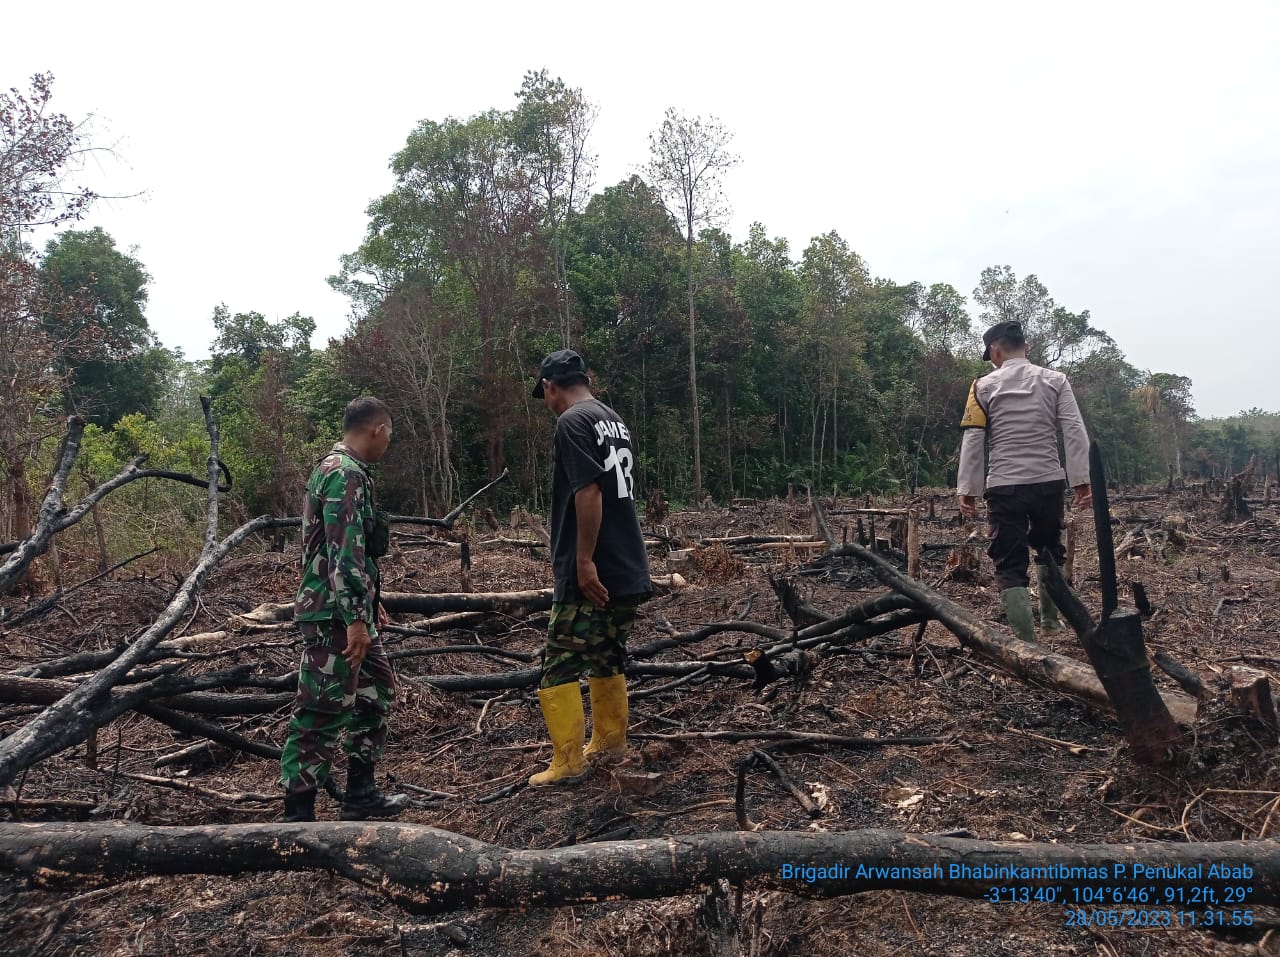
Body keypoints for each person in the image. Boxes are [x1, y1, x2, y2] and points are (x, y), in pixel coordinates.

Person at [279, 396, 409, 821]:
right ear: (377, 429)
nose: (389, 441)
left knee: (377, 690)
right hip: (333, 614)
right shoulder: (344, 474)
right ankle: (298, 816)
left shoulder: (345, 471)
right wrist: (356, 617)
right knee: (321, 708)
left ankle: (360, 794)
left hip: (349, 610)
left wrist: (371, 606)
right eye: (389, 432)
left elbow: (352, 553)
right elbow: (344, 553)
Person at [529, 349, 651, 786]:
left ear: (550, 386)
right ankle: (610, 742)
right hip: (627, 563)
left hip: (595, 568)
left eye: (544, 394)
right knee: (605, 654)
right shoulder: (611, 418)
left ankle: (567, 762)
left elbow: (590, 492)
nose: (548, 403)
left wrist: (582, 562)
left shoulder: (572, 422)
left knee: (559, 659)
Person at [956, 321, 1092, 643]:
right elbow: (1073, 429)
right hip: (1048, 483)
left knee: (1009, 561)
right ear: (1026, 348)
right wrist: (1081, 480)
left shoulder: (981, 386)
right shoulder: (1056, 381)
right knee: (1049, 550)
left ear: (995, 351)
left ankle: (1025, 643)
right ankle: (1051, 623)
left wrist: (968, 488)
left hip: (1004, 487)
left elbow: (974, 439)